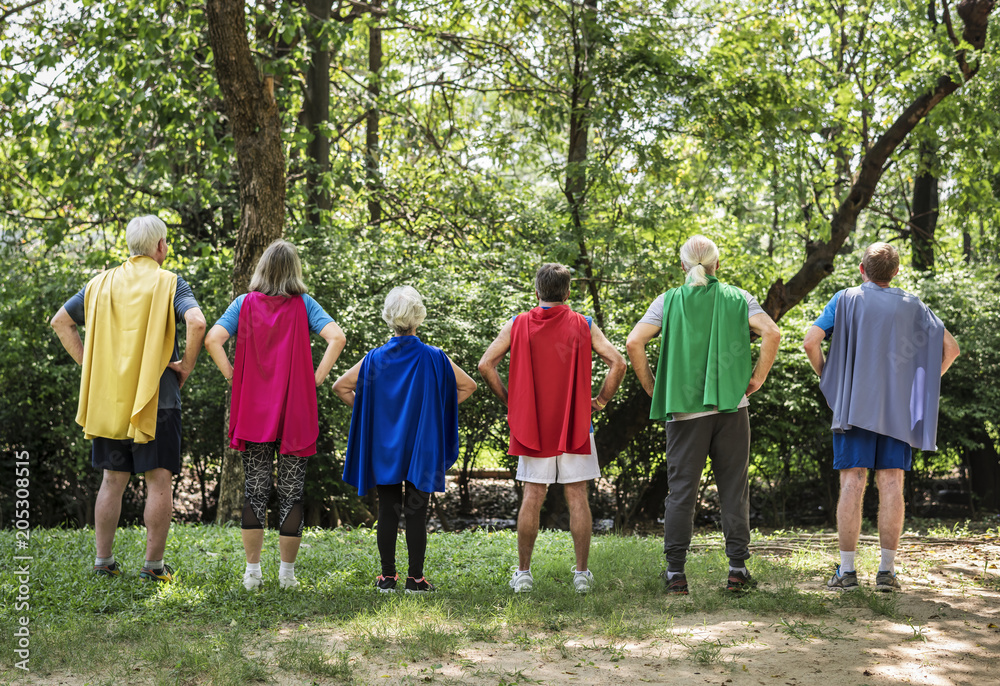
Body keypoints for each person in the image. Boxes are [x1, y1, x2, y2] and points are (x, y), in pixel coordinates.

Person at [50, 215, 207, 582]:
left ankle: (103, 561)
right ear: (159, 247)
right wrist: (185, 365)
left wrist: (92, 365)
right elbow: (197, 322)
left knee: (112, 480)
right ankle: (153, 568)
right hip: (158, 401)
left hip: (109, 402)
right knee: (159, 481)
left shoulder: (100, 283)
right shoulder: (170, 283)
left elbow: (61, 321)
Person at [626, 235, 780, 595]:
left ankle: (676, 574)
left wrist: (653, 386)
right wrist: (756, 378)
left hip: (683, 412)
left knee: (681, 492)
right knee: (733, 489)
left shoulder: (668, 301)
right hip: (731, 408)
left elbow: (635, 342)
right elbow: (771, 332)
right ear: (717, 266)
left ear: (682, 266)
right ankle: (737, 570)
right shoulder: (738, 297)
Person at [803, 242, 960, 592]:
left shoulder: (844, 299)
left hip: (853, 407)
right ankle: (886, 573)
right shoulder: (913, 304)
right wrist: (918, 387)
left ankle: (846, 573)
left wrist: (829, 378)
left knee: (852, 483)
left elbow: (810, 342)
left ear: (862, 270)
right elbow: (951, 349)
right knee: (891, 484)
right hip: (896, 412)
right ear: (896, 272)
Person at [204, 240, 346, 590]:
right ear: (294, 270)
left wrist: (233, 375)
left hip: (253, 407)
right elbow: (337, 337)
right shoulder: (305, 305)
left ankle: (252, 574)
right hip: (296, 406)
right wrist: (314, 379)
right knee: (292, 491)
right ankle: (287, 575)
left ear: (262, 269)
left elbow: (212, 340)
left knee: (255, 489)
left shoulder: (243, 304)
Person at [478, 263, 627, 595]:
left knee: (533, 495)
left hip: (532, 423)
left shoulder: (517, 324)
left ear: (537, 292)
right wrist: (600, 401)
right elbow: (618, 362)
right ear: (568, 293)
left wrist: (511, 400)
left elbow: (485, 365)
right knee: (577, 496)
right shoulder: (583, 325)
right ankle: (583, 575)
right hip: (575, 422)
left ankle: (524, 575)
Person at [333, 286, 477, 594]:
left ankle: (387, 578)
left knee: (387, 508)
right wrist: (437, 412)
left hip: (385, 446)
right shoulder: (435, 358)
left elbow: (341, 387)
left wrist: (371, 412)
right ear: (419, 318)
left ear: (388, 317)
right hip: (421, 445)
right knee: (416, 510)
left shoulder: (374, 360)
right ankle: (416, 579)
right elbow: (468, 386)